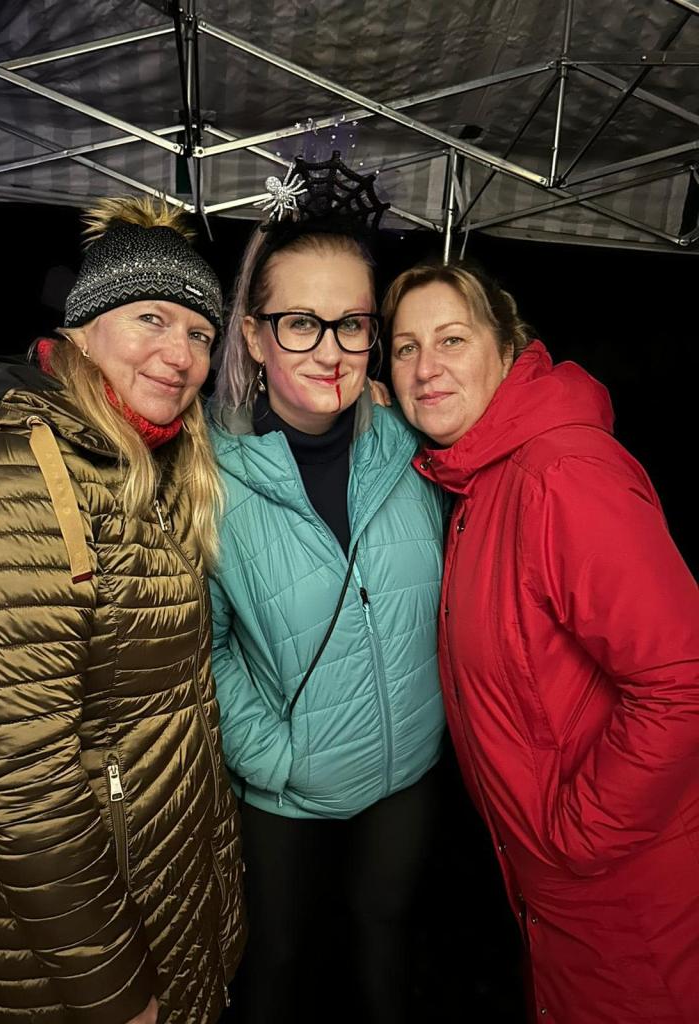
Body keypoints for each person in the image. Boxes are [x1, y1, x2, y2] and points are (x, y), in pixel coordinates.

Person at [0, 197, 245, 1024]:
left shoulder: (149, 462)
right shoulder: (18, 472)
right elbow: (19, 785)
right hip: (72, 960)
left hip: (158, 893)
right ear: (84, 326)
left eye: (200, 334)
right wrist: (119, 996)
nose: (179, 355)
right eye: (152, 319)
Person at [386, 260, 699, 1024]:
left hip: (629, 894)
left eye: (452, 340)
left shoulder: (561, 474)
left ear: (507, 348)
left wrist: (578, 837)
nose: (425, 368)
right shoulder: (480, 479)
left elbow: (684, 681)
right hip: (564, 897)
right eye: (404, 348)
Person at [207, 155, 447, 1024]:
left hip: (407, 772)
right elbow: (205, 645)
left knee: (385, 947)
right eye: (301, 323)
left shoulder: (417, 447)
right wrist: (274, 756)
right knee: (276, 962)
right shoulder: (210, 478)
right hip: (287, 785)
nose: (332, 351)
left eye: (352, 324)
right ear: (255, 333)